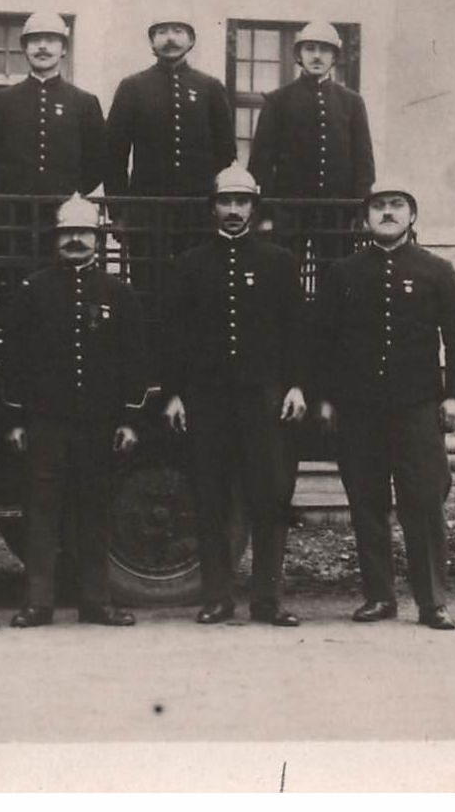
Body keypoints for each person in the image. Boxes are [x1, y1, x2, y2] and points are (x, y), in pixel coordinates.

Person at [312, 180, 455, 631]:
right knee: (366, 502)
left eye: (397, 206)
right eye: (379, 206)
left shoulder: (437, 271)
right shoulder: (343, 272)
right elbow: (322, 341)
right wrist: (324, 398)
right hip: (357, 409)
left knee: (422, 502)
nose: (387, 213)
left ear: (412, 216)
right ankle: (379, 596)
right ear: (366, 218)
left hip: (417, 407)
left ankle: (432, 601)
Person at [162, 165, 308, 626]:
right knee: (211, 499)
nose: (232, 211)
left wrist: (297, 385)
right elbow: (174, 335)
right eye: (225, 202)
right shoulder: (190, 264)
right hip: (206, 400)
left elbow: (297, 332)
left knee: (269, 496)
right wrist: (174, 394)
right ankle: (217, 597)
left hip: (263, 399)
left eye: (241, 203)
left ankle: (267, 599)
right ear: (213, 208)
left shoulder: (279, 262)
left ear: (253, 208)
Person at [3, 194, 148, 628]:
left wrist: (130, 419)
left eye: (84, 234)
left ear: (97, 240)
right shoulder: (33, 290)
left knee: (94, 512)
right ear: (56, 239)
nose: (76, 242)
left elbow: (135, 360)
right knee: (42, 512)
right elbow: (14, 359)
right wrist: (15, 419)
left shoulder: (118, 293)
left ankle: (96, 601)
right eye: (68, 235)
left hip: (98, 423)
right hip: (47, 422)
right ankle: (39, 603)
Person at [248, 21, 375, 270]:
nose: (317, 56)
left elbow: (364, 161)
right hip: (289, 212)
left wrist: (360, 212)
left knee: (336, 275)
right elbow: (261, 163)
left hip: (337, 212)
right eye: (310, 49)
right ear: (299, 55)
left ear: (334, 57)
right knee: (284, 274)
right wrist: (266, 213)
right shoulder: (278, 100)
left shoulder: (352, 102)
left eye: (324, 50)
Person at [0, 12, 105, 197]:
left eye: (51, 40)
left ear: (64, 49)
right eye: (35, 41)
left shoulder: (85, 102)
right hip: (13, 214)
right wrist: (6, 195)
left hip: (66, 213)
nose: (42, 47)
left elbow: (98, 159)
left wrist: (74, 194)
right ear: (25, 48)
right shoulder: (2, 101)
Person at [105, 14, 237, 198]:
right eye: (162, 32)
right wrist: (118, 209)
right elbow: (115, 154)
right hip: (146, 203)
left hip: (200, 204)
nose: (170, 38)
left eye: (178, 31)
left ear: (191, 40)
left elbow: (226, 152)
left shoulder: (210, 86)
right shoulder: (132, 87)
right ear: (152, 42)